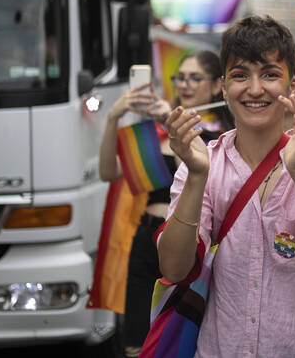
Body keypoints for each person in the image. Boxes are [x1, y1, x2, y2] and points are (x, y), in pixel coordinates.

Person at [158, 15, 295, 357]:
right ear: (225, 86)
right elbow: (173, 267)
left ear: (291, 87)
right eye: (241, 75)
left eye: (270, 75)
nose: (255, 89)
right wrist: (197, 176)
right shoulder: (202, 163)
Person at [98, 50, 231, 358]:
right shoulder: (159, 131)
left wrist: (166, 119)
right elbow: (108, 171)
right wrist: (113, 117)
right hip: (146, 241)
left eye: (195, 78)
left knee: (179, 339)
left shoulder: (224, 139)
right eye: (180, 77)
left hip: (191, 246)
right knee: (136, 341)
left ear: (215, 86)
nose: (186, 84)